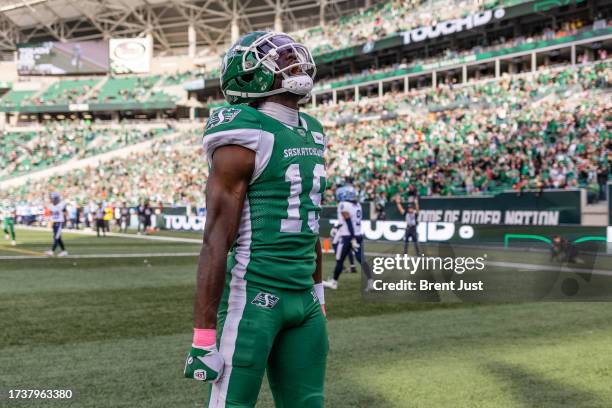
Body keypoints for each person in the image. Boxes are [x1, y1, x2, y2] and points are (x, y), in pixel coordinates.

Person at [183, 31, 328, 408]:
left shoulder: (312, 130)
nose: (292, 60)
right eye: (280, 59)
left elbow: (309, 216)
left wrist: (318, 292)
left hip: (304, 302)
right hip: (254, 298)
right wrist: (202, 337)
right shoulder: (243, 134)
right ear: (249, 76)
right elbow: (215, 238)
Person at [323, 184, 373, 290]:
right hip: (358, 235)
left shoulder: (344, 204)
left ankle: (334, 282)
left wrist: (352, 237)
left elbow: (348, 221)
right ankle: (371, 281)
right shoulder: (357, 205)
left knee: (339, 260)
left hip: (348, 236)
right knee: (361, 259)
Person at [46, 192, 68, 257]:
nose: (51, 200)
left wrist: (66, 220)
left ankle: (52, 251)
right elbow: (50, 213)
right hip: (54, 223)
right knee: (58, 238)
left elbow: (66, 212)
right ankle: (64, 251)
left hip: (59, 223)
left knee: (56, 237)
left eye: (52, 198)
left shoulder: (61, 205)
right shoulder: (51, 205)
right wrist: (50, 221)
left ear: (56, 199)